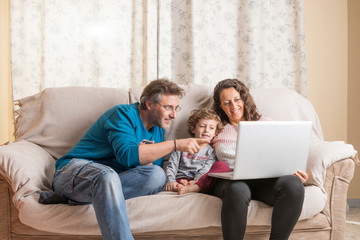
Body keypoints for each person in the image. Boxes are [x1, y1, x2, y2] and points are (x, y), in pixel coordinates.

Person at [39, 79, 210, 240]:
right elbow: (127, 155)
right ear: (149, 104)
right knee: (107, 176)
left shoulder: (158, 130)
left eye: (176, 108)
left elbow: (149, 171)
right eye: (168, 108)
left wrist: (146, 155)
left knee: (157, 176)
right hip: (73, 171)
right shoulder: (122, 114)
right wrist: (175, 144)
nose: (173, 115)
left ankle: (73, 199)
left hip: (105, 183)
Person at [210, 79, 308, 240]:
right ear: (220, 106)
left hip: (264, 181)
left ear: (244, 99)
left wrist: (298, 171)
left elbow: (282, 154)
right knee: (238, 189)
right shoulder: (215, 127)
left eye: (237, 100)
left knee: (294, 184)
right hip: (231, 180)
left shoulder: (266, 123)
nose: (233, 107)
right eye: (227, 103)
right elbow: (198, 152)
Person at [164, 108, 229, 195]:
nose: (206, 130)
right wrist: (171, 181)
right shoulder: (181, 145)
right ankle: (182, 188)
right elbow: (172, 165)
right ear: (193, 129)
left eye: (211, 128)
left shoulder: (212, 152)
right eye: (202, 126)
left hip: (199, 181)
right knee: (175, 183)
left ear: (215, 133)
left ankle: (193, 188)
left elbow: (205, 169)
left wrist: (195, 181)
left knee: (222, 165)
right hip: (178, 180)